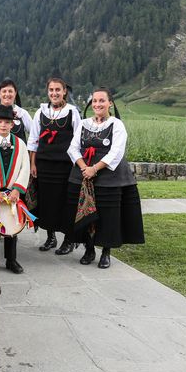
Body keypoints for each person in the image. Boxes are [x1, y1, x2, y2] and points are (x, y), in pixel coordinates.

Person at [64, 88, 144, 268]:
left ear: (110, 103)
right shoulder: (84, 124)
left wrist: (95, 169)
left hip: (109, 175)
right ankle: (89, 249)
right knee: (84, 211)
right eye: (94, 101)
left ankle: (106, 251)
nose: (97, 104)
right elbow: (73, 148)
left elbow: (116, 152)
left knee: (107, 214)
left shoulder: (117, 125)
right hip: (83, 173)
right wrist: (85, 167)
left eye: (102, 101)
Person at [28, 77, 81, 255]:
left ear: (64, 91)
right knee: (46, 202)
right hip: (44, 165)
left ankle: (68, 239)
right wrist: (33, 164)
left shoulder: (73, 112)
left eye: (58, 90)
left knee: (65, 202)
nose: (54, 93)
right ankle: (51, 237)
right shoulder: (40, 112)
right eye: (51, 90)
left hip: (65, 166)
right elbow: (33, 140)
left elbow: (78, 141)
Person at [0, 105, 30, 274]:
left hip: (12, 191)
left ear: (12, 125)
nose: (3, 125)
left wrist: (17, 189)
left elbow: (25, 167)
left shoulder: (20, 144)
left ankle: (11, 259)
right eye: (0, 121)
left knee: (12, 223)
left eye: (7, 122)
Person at [0, 78, 32, 144]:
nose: (7, 94)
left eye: (10, 91)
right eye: (4, 91)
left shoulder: (22, 113)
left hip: (19, 153)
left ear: (15, 93)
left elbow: (34, 135)